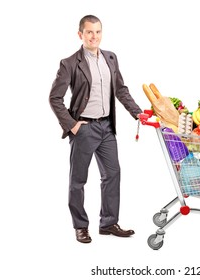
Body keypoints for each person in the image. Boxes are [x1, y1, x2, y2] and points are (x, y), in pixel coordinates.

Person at [49, 15, 143, 243]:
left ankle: (109, 223)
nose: (94, 37)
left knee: (112, 174)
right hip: (84, 129)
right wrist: (72, 126)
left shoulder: (111, 58)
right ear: (80, 34)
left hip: (107, 127)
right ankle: (80, 226)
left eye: (98, 32)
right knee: (78, 180)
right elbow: (55, 98)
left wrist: (138, 113)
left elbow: (120, 90)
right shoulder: (70, 63)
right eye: (89, 32)